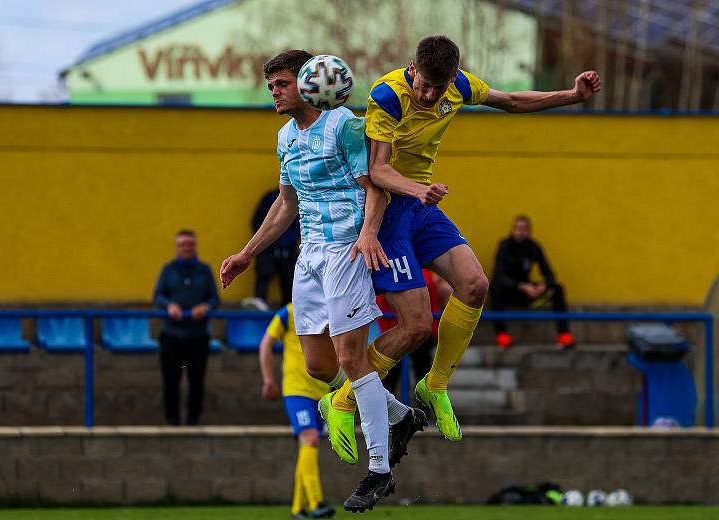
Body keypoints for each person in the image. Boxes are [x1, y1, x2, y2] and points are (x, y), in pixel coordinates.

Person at [322, 35, 601, 452]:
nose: (431, 95)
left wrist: (572, 95)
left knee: (475, 284)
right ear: (412, 69)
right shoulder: (388, 95)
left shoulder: (459, 87)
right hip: (386, 212)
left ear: (453, 76)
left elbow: (512, 101)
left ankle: (434, 385)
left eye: (440, 87)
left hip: (420, 205)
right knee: (416, 326)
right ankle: (341, 400)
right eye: (424, 85)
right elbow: (378, 171)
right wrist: (418, 190)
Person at [220, 50, 423, 512]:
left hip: (347, 249)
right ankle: (401, 416)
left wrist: (368, 233)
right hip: (307, 255)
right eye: (271, 85)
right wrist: (247, 253)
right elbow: (285, 204)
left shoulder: (344, 126)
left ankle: (378, 469)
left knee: (352, 358)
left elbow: (374, 182)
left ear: (311, 82)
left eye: (282, 83)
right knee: (319, 367)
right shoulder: (285, 137)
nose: (275, 91)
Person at [259, 303, 335, 519]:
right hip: (296, 390)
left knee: (308, 445)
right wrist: (268, 379)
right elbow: (266, 343)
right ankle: (316, 502)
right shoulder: (288, 312)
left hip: (321, 392)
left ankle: (297, 508)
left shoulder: (330, 309)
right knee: (310, 438)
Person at [152, 230, 220, 426]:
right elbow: (157, 295)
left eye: (190, 244)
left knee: (197, 381)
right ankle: (172, 420)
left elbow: (215, 299)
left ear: (195, 246)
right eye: (182, 244)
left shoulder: (204, 270)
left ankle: (193, 420)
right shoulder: (169, 270)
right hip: (172, 334)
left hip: (198, 335)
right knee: (170, 380)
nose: (186, 248)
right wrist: (169, 306)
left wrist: (205, 307)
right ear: (177, 247)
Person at [491, 215, 576, 350]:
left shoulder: (533, 246)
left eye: (524, 229)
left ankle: (564, 335)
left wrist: (543, 285)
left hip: (529, 295)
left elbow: (549, 274)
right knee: (496, 288)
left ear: (529, 231)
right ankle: (502, 336)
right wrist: (521, 286)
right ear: (512, 230)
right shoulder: (505, 245)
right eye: (517, 228)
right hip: (510, 293)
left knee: (558, 289)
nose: (520, 232)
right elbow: (499, 274)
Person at [379, 269, 452, 398]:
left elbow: (433, 301)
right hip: (397, 331)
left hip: (417, 333)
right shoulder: (399, 268)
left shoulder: (423, 270)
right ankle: (387, 412)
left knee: (421, 373)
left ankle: (423, 412)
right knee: (392, 376)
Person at [251, 188, 300, 307]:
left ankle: (289, 312)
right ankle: (259, 304)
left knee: (290, 282)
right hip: (269, 248)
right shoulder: (270, 198)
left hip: (289, 250)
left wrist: (292, 238)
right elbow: (256, 222)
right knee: (264, 275)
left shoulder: (299, 197)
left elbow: (302, 223)